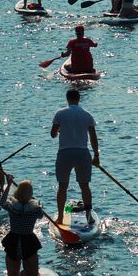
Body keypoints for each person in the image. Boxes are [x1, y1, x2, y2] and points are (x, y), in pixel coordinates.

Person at [51, 88, 99, 227]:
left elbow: (53, 134)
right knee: (85, 186)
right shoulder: (87, 115)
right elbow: (93, 137)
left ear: (67, 99)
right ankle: (89, 216)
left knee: (62, 186)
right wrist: (96, 155)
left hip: (65, 153)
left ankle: (60, 217)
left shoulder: (60, 113)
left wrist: (60, 130)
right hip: (82, 153)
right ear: (79, 99)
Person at [0, 179, 56, 276]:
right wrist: (34, 201)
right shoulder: (35, 209)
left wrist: (8, 185)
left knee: (12, 275)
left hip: (13, 241)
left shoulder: (12, 207)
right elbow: (40, 216)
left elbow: (2, 202)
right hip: (28, 241)